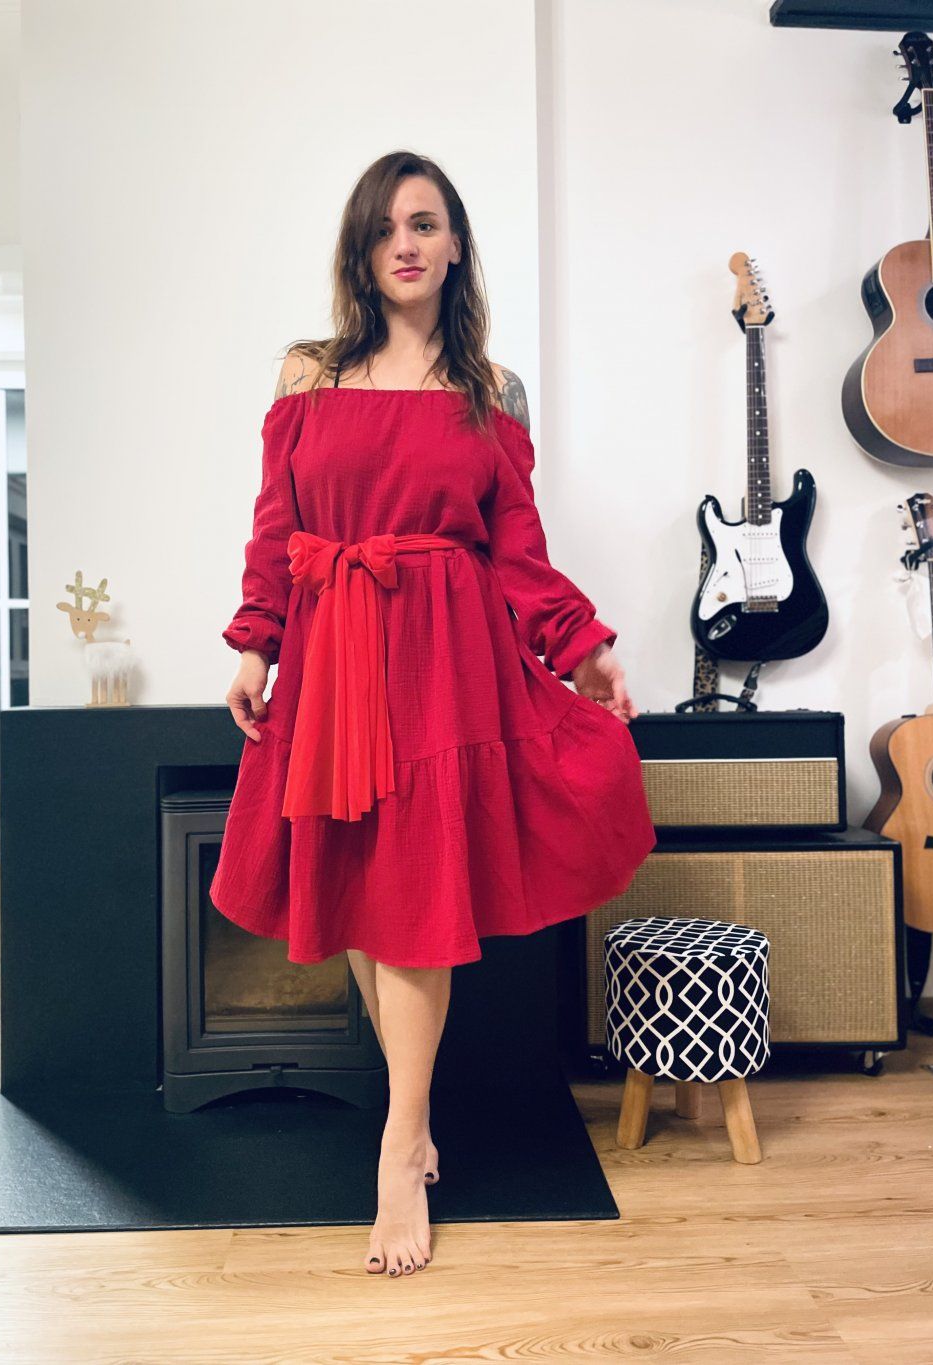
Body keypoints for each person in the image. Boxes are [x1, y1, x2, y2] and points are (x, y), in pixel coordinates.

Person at [209, 151, 657, 1279]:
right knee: (364, 890)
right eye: (384, 228)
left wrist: (583, 647)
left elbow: (518, 553)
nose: (404, 244)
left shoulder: (489, 391)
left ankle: (402, 1144)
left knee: (411, 898)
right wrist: (257, 640)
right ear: (361, 251)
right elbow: (276, 527)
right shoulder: (308, 373)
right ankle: (410, 1126)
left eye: (424, 224)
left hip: (445, 660)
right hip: (332, 652)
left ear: (456, 246)